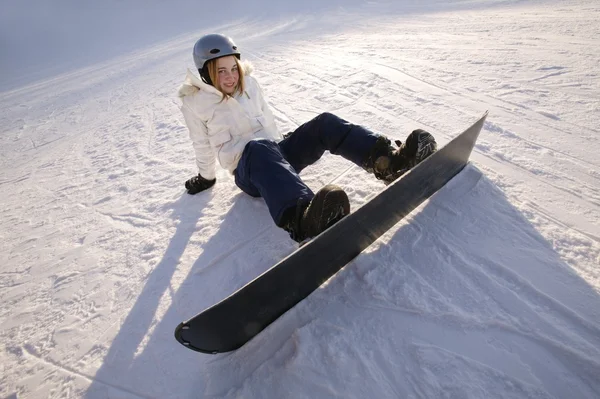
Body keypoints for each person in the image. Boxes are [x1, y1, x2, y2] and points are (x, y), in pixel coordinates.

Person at [178, 34, 437, 243]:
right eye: (221, 71)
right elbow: (200, 143)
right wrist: (206, 177)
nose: (231, 76)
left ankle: (388, 162)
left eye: (233, 68)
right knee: (258, 148)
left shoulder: (250, 85)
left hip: (275, 152)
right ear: (205, 73)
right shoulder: (196, 103)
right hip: (248, 171)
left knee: (324, 124)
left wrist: (287, 144)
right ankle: (302, 218)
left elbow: (267, 120)